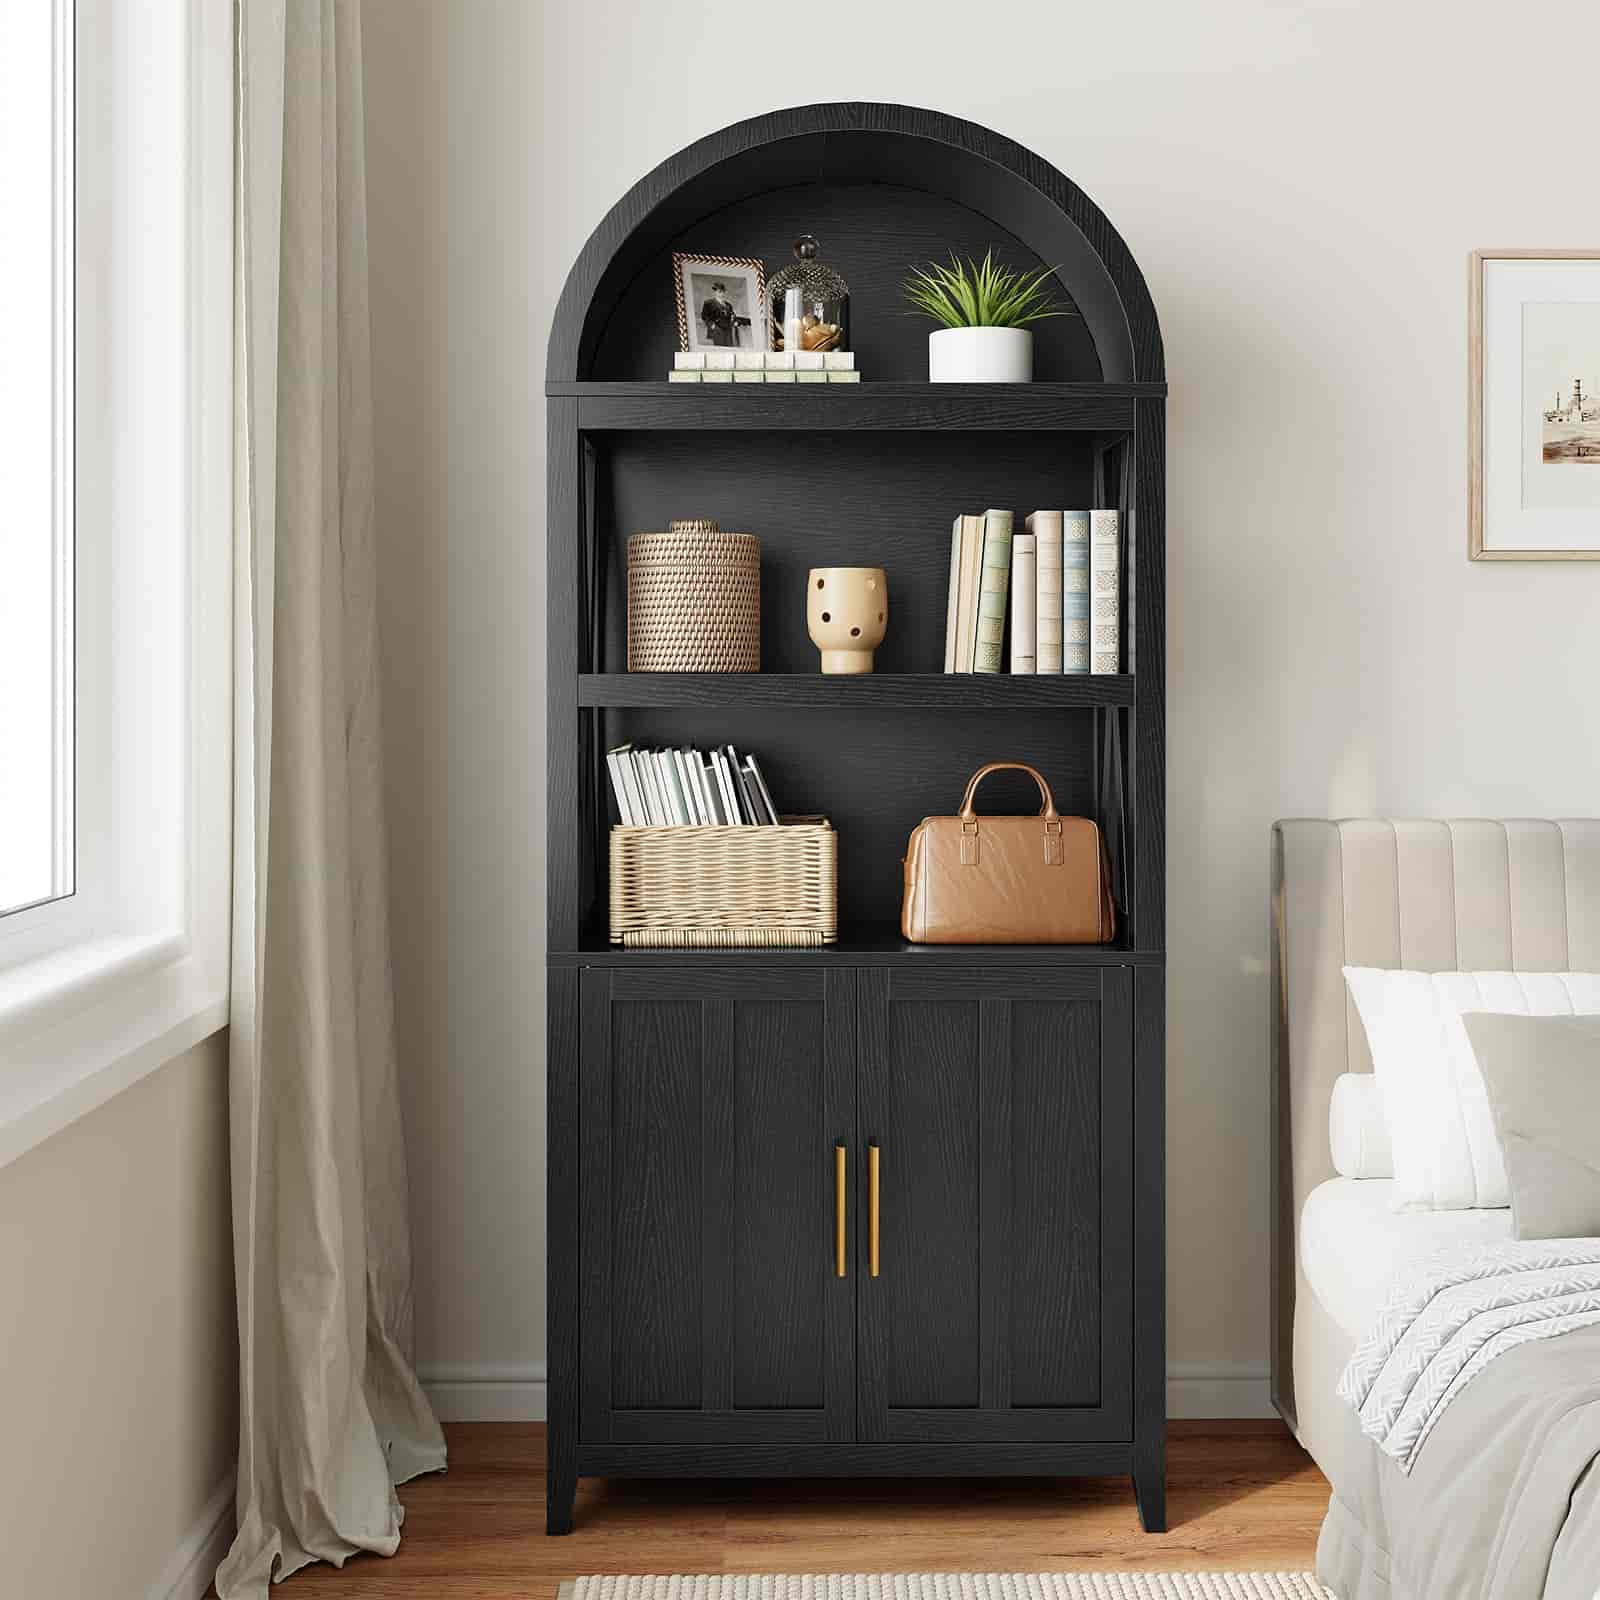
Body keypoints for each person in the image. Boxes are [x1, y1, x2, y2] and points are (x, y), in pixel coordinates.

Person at [699, 280, 749, 347]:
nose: (721, 294)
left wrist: (736, 322)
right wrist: (712, 325)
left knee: (729, 349)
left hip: (728, 330)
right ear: (715, 292)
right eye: (719, 291)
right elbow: (704, 316)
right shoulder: (708, 303)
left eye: (722, 292)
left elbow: (732, 316)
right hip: (717, 330)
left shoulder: (728, 305)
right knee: (720, 350)